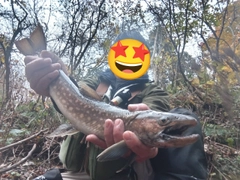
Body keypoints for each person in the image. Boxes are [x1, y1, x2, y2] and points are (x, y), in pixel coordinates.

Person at [25, 31, 208, 180]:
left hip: (130, 174)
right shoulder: (94, 82)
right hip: (73, 175)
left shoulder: (153, 90)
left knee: (184, 114)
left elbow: (152, 113)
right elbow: (72, 101)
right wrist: (50, 78)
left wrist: (149, 140)